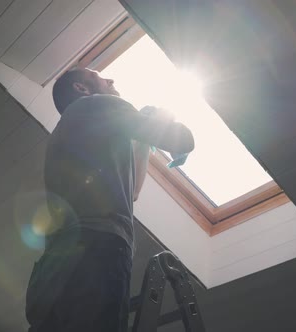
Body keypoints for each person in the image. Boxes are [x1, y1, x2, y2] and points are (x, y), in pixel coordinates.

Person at [25, 68, 194, 332]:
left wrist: (141, 140)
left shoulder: (80, 128)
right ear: (82, 88)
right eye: (100, 77)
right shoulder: (95, 104)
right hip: (97, 246)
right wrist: (163, 118)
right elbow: (183, 139)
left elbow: (133, 192)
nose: (111, 80)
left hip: (59, 261)